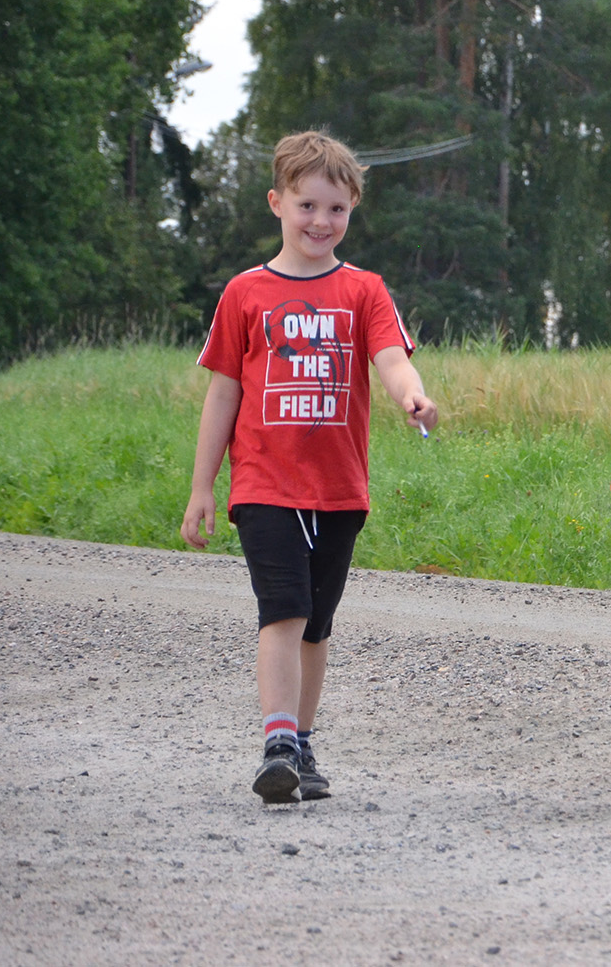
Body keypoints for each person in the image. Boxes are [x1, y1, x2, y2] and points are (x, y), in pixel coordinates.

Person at [180, 131, 436, 803]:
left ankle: (303, 739)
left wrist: (411, 393)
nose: (321, 222)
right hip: (264, 483)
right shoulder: (245, 294)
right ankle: (277, 742)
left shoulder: (364, 291)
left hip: (340, 489)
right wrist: (203, 485)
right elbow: (224, 391)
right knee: (283, 612)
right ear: (277, 203)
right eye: (307, 206)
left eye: (336, 209)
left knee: (317, 625)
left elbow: (389, 357)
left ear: (351, 210)